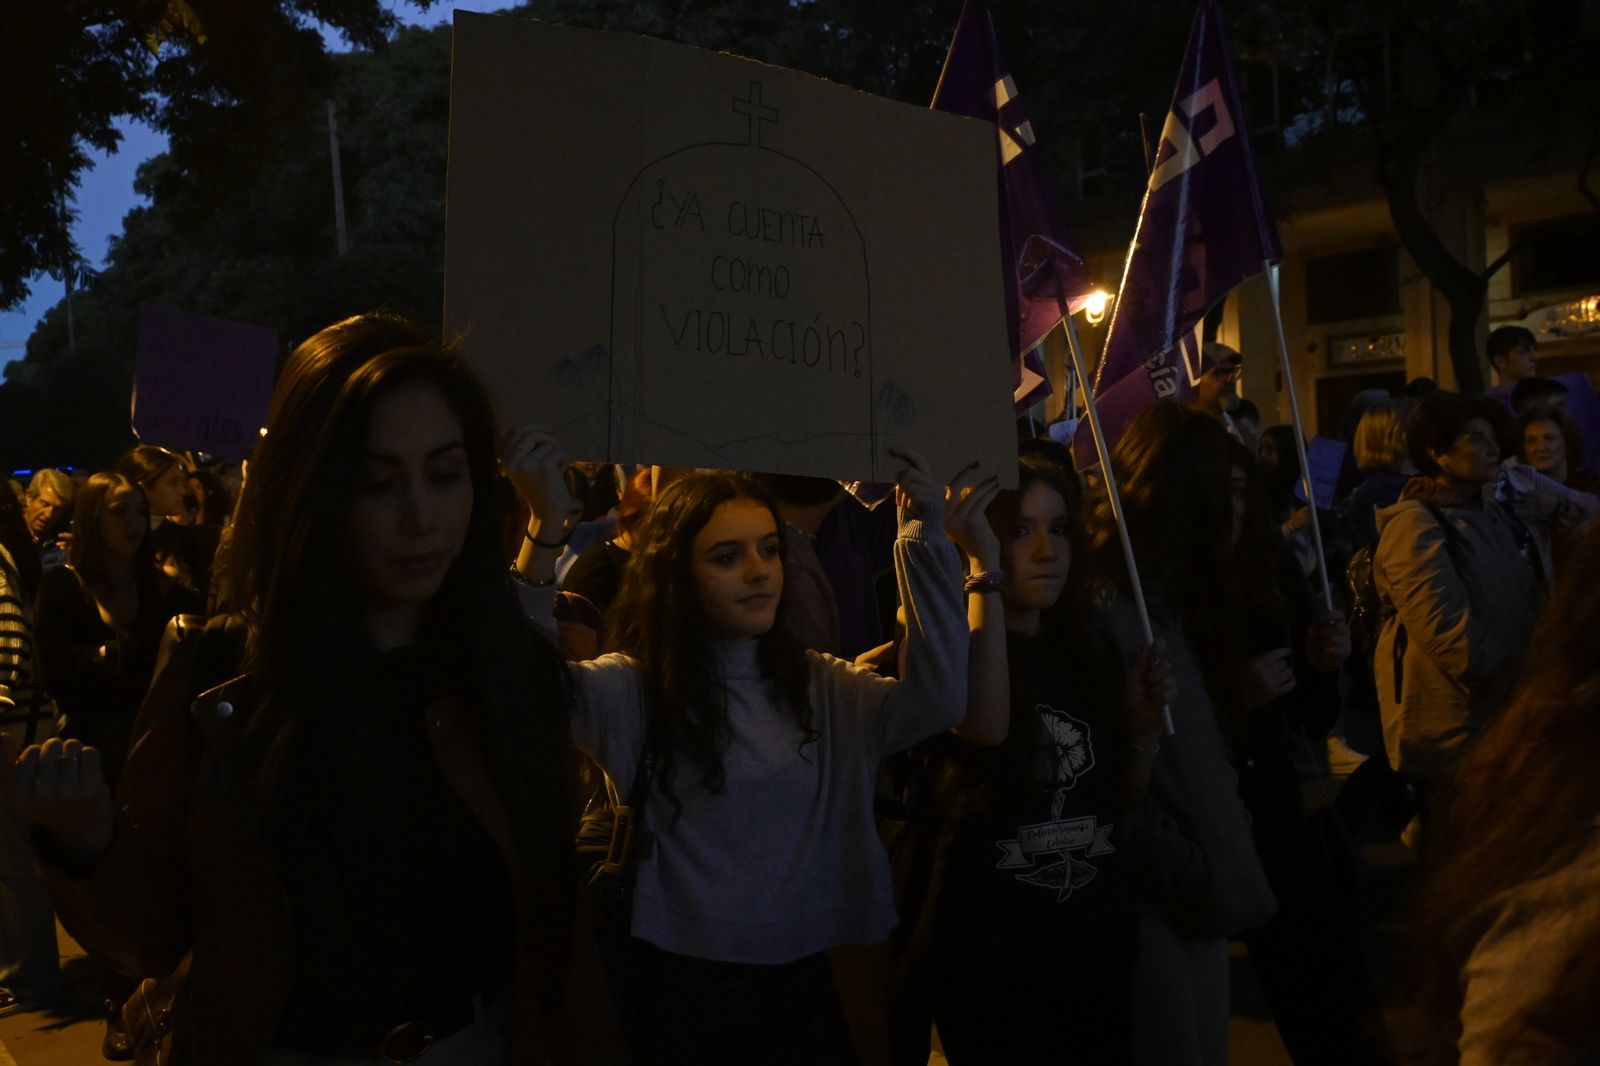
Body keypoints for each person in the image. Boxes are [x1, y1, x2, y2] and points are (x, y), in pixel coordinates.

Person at [4, 313, 596, 1064]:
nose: (421, 517)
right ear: (309, 495)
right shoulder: (221, 677)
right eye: (379, 484)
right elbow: (156, 938)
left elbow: (560, 937)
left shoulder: (509, 669)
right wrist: (88, 840)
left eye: (445, 475)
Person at [506, 436, 973, 1064]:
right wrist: (542, 532)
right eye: (727, 557)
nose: (759, 571)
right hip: (681, 991)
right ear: (677, 575)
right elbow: (525, 694)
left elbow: (940, 700)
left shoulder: (821, 686)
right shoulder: (635, 690)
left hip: (811, 986)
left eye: (770, 550)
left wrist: (922, 535)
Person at [893, 451, 1172, 1064]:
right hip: (998, 963)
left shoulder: (1085, 652)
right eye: (1019, 530)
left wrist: (1142, 731)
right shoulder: (946, 651)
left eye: (1060, 527)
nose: (1047, 550)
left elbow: (1115, 813)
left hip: (1092, 950)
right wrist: (980, 571)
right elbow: (986, 724)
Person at [1089, 403, 1276, 1066]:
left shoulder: (1169, 598)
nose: (1240, 509)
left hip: (1198, 889)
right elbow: (1115, 775)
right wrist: (1188, 868)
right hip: (1158, 899)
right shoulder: (1110, 608)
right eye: (1225, 491)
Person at [1400, 522, 1600, 1066]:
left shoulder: (1504, 513)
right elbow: (1444, 623)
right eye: (1476, 439)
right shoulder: (1570, 885)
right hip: (1468, 716)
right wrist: (1494, 666)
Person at [1373, 391, 1539, 798]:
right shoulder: (1414, 523)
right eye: (1475, 438)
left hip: (1504, 716)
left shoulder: (1492, 513)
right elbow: (1446, 629)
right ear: (1438, 453)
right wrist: (1509, 679)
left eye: (1493, 437)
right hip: (1456, 723)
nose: (1492, 448)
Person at [32, 473, 202, 789]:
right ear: (92, 516)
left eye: (140, 511)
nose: (134, 522)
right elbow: (57, 672)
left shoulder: (160, 588)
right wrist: (120, 652)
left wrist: (104, 655)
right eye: (120, 511)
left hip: (156, 746)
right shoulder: (63, 585)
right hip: (88, 751)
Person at [0, 489, 60, 1016]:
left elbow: (9, 638)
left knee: (14, 857)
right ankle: (22, 970)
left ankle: (30, 976)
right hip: (18, 718)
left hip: (9, 723)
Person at [115, 445, 222, 597]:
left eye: (181, 482)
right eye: (172, 483)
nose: (183, 491)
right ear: (142, 487)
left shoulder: (189, 539)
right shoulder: (115, 538)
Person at [1187, 342, 1245, 441]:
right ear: (1195, 380)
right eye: (1222, 373)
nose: (1232, 380)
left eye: (1234, 372)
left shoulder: (1243, 431)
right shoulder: (1180, 432)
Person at [20, 469, 74, 569]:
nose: (49, 514)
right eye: (45, 504)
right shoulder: (8, 531)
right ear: (29, 498)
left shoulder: (63, 540)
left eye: (57, 509)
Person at [1483, 325, 1538, 411]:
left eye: (1534, 350)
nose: (1534, 358)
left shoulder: (1541, 398)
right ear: (1500, 361)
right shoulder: (1490, 406)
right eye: (1523, 352)